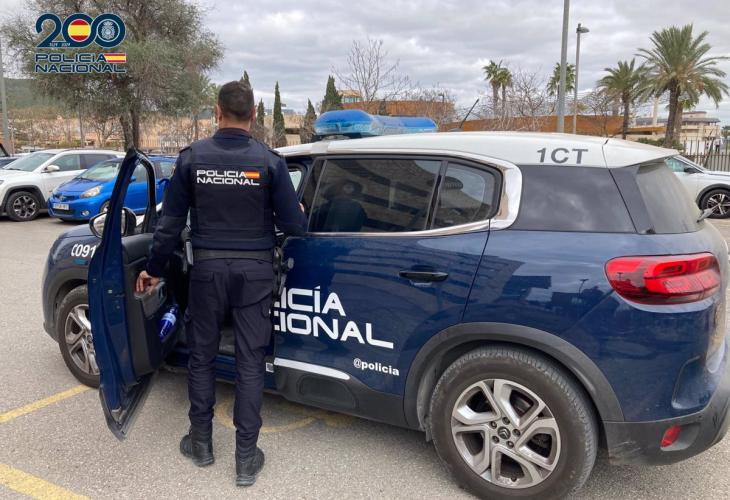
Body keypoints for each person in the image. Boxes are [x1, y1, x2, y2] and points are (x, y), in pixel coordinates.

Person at [136, 81, 306, 486]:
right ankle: (246, 459)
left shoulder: (192, 159)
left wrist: (154, 268)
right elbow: (295, 226)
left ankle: (201, 444)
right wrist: (295, 210)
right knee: (250, 362)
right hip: (255, 276)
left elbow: (169, 225)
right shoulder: (270, 162)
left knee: (202, 357)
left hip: (207, 273)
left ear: (217, 112)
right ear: (253, 114)